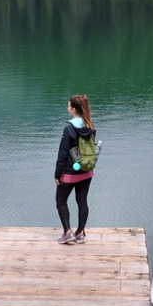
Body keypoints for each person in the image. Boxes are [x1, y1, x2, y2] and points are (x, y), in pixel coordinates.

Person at [55, 94, 96, 244]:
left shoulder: (69, 129)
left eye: (68, 106)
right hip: (87, 172)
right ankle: (80, 233)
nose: (67, 108)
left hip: (70, 173)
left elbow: (63, 154)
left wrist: (57, 174)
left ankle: (67, 232)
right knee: (82, 200)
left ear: (73, 109)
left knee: (60, 201)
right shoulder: (90, 127)